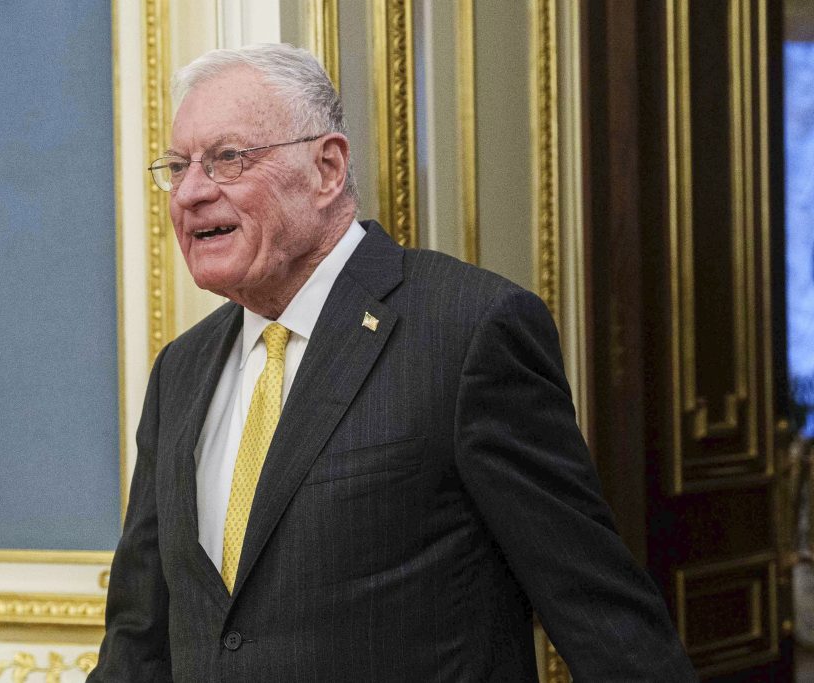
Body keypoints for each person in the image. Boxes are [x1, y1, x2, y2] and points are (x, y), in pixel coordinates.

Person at [89, 43, 695, 681]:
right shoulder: (181, 370)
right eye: (177, 166)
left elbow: (599, 612)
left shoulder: (468, 330)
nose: (189, 193)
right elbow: (138, 641)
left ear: (327, 168)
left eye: (228, 159)